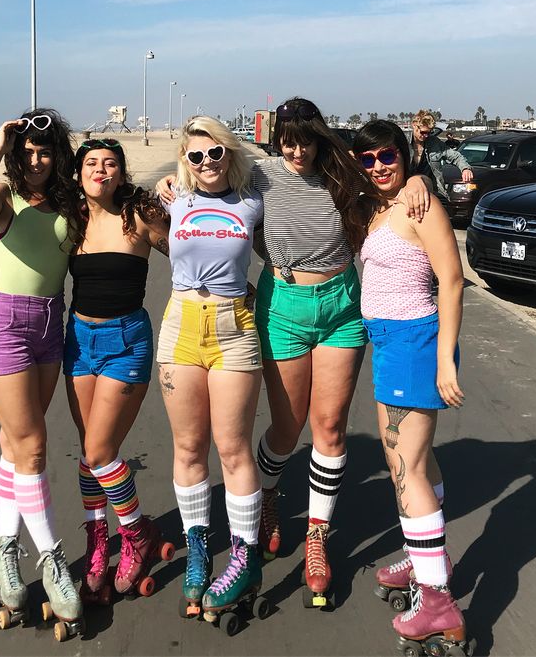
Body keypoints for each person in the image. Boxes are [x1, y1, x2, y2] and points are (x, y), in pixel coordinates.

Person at [157, 98, 430, 607]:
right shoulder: (260, 176)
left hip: (341, 306)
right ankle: (266, 500)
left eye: (306, 139)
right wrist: (170, 181)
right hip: (282, 304)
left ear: (321, 136)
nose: (297, 150)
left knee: (329, 427)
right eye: (287, 139)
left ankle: (317, 539)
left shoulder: (345, 173)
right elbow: (208, 188)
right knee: (286, 428)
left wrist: (417, 178)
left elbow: (391, 183)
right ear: (276, 137)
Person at [0, 109, 83, 629]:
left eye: (45, 151)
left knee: (15, 445)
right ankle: (53, 558)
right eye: (27, 152)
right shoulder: (3, 204)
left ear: (57, 154)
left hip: (49, 327)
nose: (36, 160)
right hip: (3, 328)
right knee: (33, 445)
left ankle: (6, 551)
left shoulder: (69, 205)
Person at [353, 120, 468, 650]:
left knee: (406, 468)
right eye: (368, 158)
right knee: (418, 461)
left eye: (387, 156)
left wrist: (445, 360)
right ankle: (430, 558)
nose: (378, 166)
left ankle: (437, 600)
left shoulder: (423, 205)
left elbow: (451, 277)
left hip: (415, 344)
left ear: (403, 154)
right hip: (391, 343)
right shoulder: (378, 204)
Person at [156, 116, 265, 619]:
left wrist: (415, 173)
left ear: (229, 152)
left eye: (215, 153)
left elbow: (315, 179)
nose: (206, 164)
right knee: (187, 446)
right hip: (181, 322)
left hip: (234, 326)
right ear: (186, 159)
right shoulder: (172, 198)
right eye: (196, 156)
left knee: (232, 447)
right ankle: (198, 547)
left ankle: (244, 555)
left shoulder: (253, 198)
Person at [63, 138, 172, 600]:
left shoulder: (143, 217)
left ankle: (134, 535)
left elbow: (193, 255)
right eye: (91, 163)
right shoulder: (69, 221)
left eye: (110, 163)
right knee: (89, 454)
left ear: (122, 174)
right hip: (78, 342)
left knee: (102, 450)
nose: (101, 170)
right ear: (78, 173)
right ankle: (95, 542)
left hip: (126, 342)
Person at [409, 110, 473, 199]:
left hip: (433, 193)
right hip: (408, 194)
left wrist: (465, 168)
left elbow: (455, 156)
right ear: (414, 125)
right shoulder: (402, 143)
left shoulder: (435, 143)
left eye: (429, 133)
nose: (426, 136)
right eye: (423, 132)